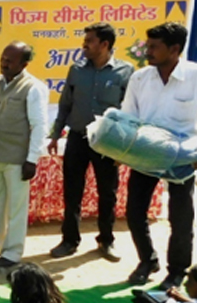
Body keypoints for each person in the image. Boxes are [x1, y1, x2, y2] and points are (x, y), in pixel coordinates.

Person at [48, 22, 134, 261]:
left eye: (89, 41)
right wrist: (55, 135)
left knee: (108, 193)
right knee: (72, 191)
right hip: (77, 138)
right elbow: (65, 104)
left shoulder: (126, 72)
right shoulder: (76, 70)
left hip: (108, 143)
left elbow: (129, 112)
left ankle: (106, 241)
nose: (84, 45)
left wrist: (123, 149)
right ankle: (69, 240)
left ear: (105, 44)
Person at [122, 22, 196, 290]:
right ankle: (147, 260)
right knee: (133, 212)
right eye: (148, 45)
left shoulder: (195, 77)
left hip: (183, 160)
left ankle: (176, 272)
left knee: (181, 219)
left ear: (175, 49)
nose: (147, 51)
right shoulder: (139, 78)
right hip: (144, 155)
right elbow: (128, 116)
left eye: (154, 47)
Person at [0, 41, 48, 267]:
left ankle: (12, 252)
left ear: (23, 64)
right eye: (3, 59)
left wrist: (32, 159)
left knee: (16, 207)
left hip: (17, 159)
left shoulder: (34, 87)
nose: (4, 63)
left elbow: (40, 126)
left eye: (10, 60)